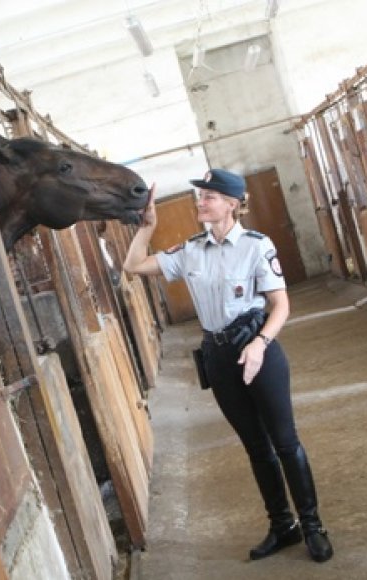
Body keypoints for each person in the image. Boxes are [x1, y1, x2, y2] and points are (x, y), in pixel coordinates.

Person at [123, 169, 334, 563]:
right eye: (199, 196)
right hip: (218, 357)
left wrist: (260, 343)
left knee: (285, 443)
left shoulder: (256, 245)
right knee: (256, 447)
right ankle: (282, 526)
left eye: (209, 196)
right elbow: (134, 266)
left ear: (232, 204)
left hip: (258, 349)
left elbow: (281, 304)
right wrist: (147, 227)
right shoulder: (190, 250)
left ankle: (312, 526)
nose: (200, 202)